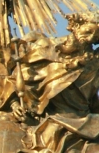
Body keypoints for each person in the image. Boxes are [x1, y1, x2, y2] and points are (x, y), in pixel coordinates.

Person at [16, 11, 99, 153]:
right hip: (56, 120)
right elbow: (23, 80)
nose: (90, 38)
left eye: (96, 36)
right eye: (88, 32)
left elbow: (92, 99)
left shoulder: (95, 62)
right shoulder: (49, 50)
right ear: (76, 26)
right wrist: (15, 104)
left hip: (87, 121)